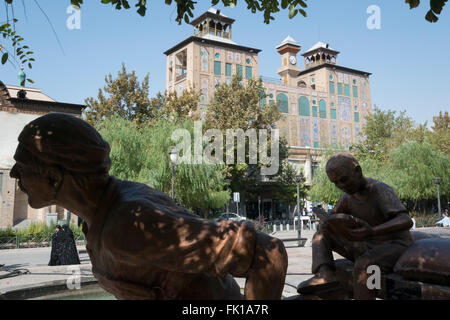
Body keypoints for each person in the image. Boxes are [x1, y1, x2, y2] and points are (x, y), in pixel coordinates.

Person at [10, 113, 287, 300]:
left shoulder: (128, 226)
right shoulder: (97, 216)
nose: (13, 176)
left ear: (53, 177)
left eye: (22, 167)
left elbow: (267, 252)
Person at [297, 152, 413, 300]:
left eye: (344, 180)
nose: (341, 186)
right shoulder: (347, 198)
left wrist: (372, 232)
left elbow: (405, 220)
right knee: (322, 233)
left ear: (357, 171)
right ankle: (325, 274)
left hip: (395, 246)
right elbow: (332, 217)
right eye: (336, 183)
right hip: (367, 245)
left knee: (365, 264)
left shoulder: (379, 190)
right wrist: (329, 222)